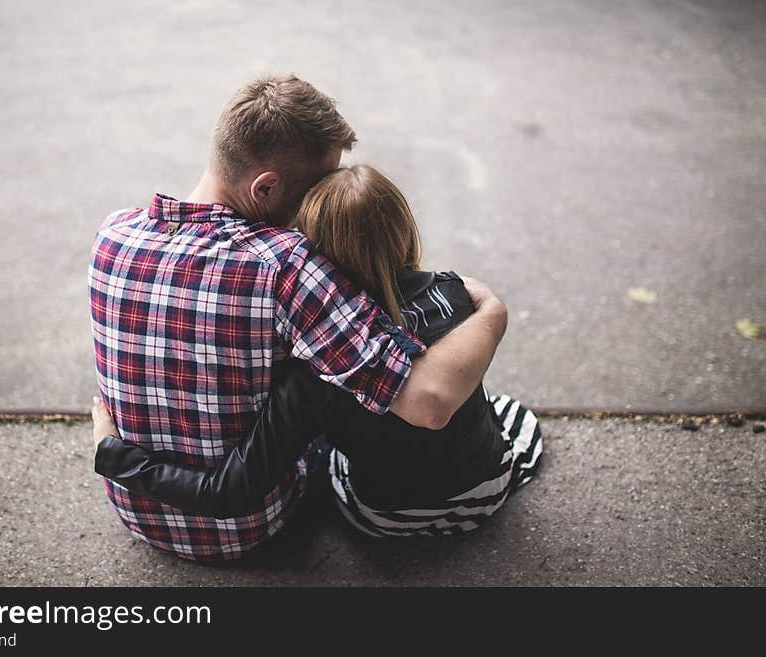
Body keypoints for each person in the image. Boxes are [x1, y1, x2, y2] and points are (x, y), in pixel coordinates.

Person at [89, 76, 510, 561]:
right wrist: (493, 314)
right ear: (265, 187)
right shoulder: (286, 265)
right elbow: (426, 401)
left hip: (135, 508)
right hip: (250, 529)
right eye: (313, 190)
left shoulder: (112, 232)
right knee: (338, 396)